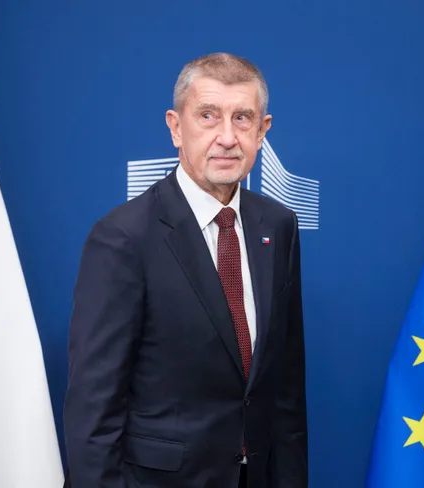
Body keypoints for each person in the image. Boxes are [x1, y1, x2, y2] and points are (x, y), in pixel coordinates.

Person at [63, 52, 308, 488]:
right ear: (176, 128)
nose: (227, 137)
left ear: (262, 130)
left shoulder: (278, 225)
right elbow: (93, 411)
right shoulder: (123, 238)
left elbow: (285, 391)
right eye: (208, 116)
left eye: (242, 118)